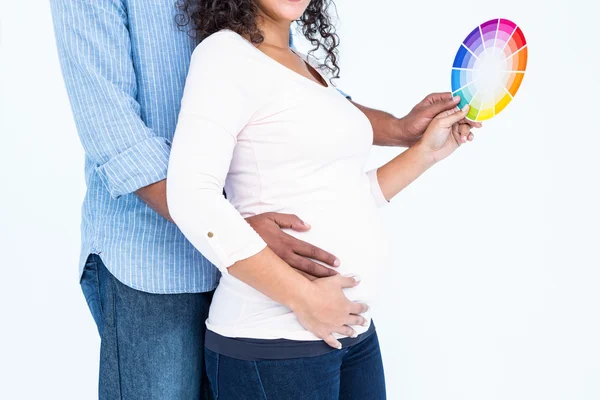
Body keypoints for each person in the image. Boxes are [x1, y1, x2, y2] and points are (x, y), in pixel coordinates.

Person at [50, 0, 478, 398]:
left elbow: (293, 111)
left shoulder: (270, 39)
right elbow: (115, 134)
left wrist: (409, 136)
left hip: (275, 284)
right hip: (158, 260)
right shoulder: (222, 54)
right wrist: (236, 229)